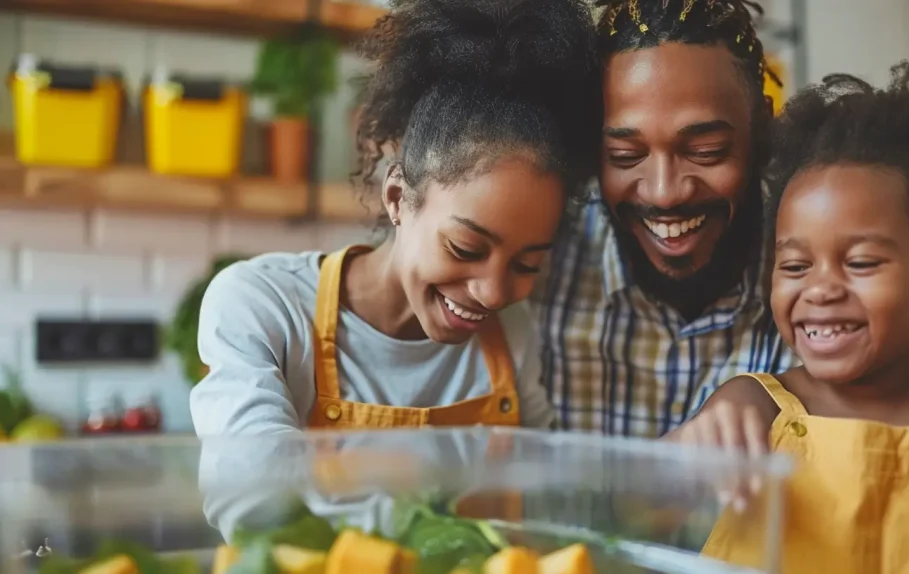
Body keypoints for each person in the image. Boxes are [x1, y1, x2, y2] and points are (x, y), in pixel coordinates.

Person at [531, 0, 909, 437]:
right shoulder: (534, 257)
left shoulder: (875, 291)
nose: (665, 192)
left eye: (707, 151)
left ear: (761, 130)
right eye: (625, 155)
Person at [189, 0, 602, 437]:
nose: (495, 293)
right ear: (397, 197)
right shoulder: (267, 309)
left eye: (527, 264)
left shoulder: (512, 333)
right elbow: (255, 476)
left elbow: (540, 473)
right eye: (466, 248)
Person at [675, 62, 909, 574]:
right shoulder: (753, 404)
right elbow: (631, 505)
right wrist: (689, 450)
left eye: (860, 263)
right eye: (795, 266)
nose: (820, 289)